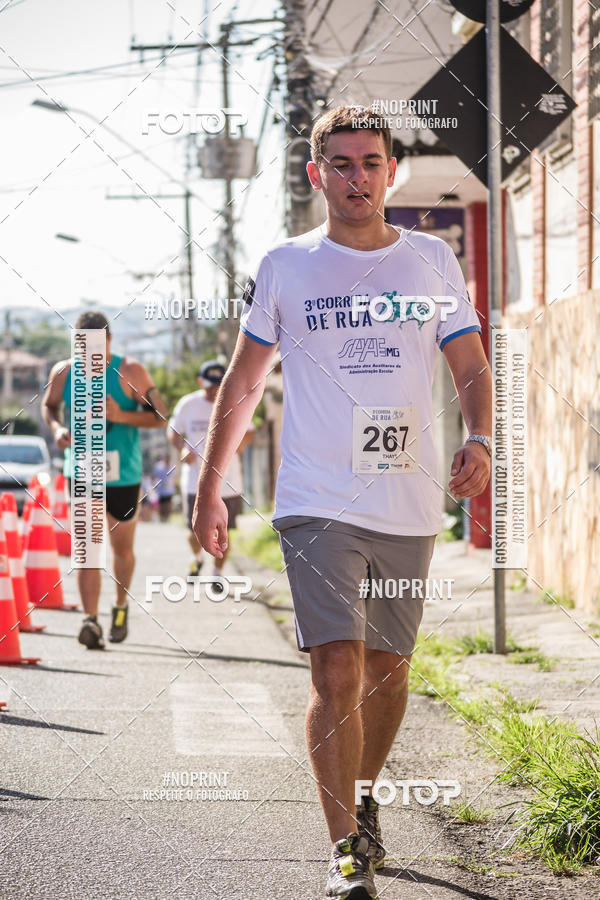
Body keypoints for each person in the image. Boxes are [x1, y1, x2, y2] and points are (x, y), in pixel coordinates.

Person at [192, 105, 492, 899]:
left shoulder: (431, 259)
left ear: (391, 171)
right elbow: (243, 381)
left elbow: (468, 362)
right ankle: (345, 849)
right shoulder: (287, 266)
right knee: (337, 668)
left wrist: (482, 438)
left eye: (370, 163)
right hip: (316, 498)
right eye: (341, 163)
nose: (357, 177)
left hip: (408, 497)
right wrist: (212, 484)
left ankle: (361, 796)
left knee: (389, 671)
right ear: (315, 174)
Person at [42, 311, 168, 649]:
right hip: (83, 468)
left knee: (121, 549)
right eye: (81, 347)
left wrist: (120, 414)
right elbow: (49, 406)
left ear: (109, 341)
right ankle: (90, 620)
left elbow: (161, 416)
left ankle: (120, 606)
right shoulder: (63, 372)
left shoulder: (131, 371)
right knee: (87, 548)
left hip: (123, 474)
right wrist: (57, 429)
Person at [167, 361, 254, 585]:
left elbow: (251, 431)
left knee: (224, 532)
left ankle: (217, 574)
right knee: (194, 531)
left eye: (219, 386)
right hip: (194, 481)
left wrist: (237, 443)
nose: (214, 391)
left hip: (229, 482)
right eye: (210, 386)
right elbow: (173, 431)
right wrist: (182, 448)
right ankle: (197, 559)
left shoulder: (235, 401)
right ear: (200, 382)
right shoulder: (188, 404)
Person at [152, 456, 175, 522]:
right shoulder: (158, 466)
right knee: (161, 504)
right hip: (160, 489)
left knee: (168, 504)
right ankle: (161, 518)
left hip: (169, 490)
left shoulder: (171, 467)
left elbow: (174, 477)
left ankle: (167, 517)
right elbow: (155, 476)